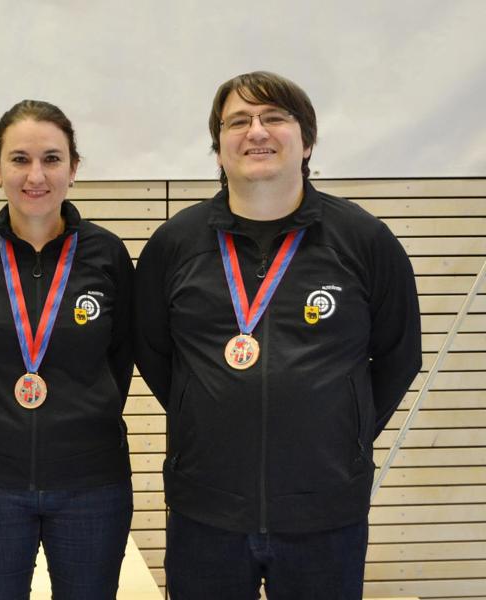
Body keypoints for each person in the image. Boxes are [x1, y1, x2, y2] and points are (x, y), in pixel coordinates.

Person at [133, 71, 422, 598]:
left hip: (325, 510)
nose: (256, 131)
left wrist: (344, 434)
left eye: (274, 118)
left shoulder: (364, 241)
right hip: (206, 510)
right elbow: (154, 353)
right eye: (238, 121)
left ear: (306, 140)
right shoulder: (175, 244)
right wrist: (208, 409)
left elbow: (398, 356)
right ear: (218, 148)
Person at [0, 100, 135, 599]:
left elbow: (122, 356)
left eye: (51, 158)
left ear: (74, 168)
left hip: (92, 481)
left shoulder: (107, 254)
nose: (36, 175)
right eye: (19, 159)